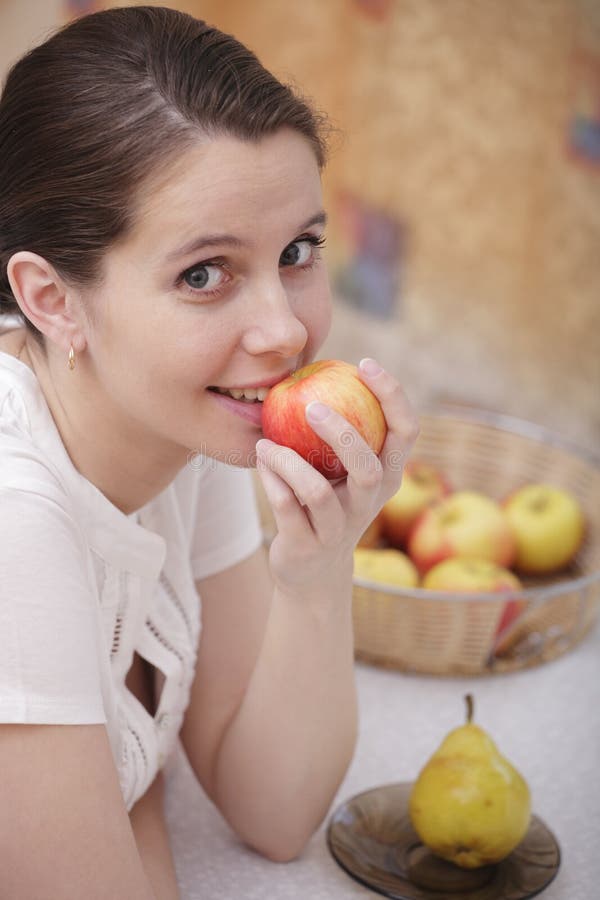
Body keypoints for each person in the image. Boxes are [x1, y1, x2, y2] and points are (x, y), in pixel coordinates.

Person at [0, 6, 418, 899]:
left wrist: (316, 571)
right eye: (204, 273)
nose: (284, 332)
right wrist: (136, 804)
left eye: (298, 251)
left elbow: (273, 813)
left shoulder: (183, 423)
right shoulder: (13, 521)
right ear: (52, 300)